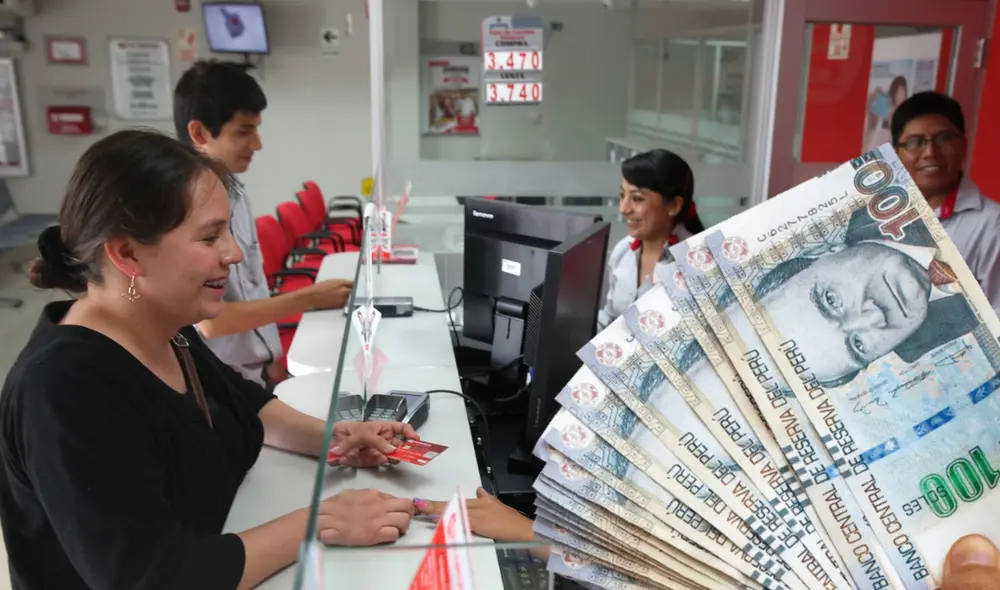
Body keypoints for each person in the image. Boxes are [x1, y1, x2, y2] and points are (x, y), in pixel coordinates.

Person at [0, 129, 417, 590]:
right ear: (127, 252)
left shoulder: (166, 328)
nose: (233, 254)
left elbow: (242, 401)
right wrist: (321, 520)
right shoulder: (65, 388)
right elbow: (152, 577)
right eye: (210, 237)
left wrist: (337, 440)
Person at [174, 60, 353, 389]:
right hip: (221, 380)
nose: (257, 144)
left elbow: (251, 286)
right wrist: (309, 297)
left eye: (256, 129)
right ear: (200, 133)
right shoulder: (184, 212)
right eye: (244, 131)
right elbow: (213, 322)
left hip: (255, 371)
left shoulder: (235, 193)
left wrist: (271, 356)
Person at [891, 91, 1000, 316]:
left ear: (963, 145)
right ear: (896, 153)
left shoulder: (992, 225)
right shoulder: (879, 212)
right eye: (915, 142)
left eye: (944, 138)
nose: (930, 152)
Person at [597, 149, 704, 331]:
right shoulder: (623, 250)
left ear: (674, 205)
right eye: (622, 196)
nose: (624, 208)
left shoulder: (696, 262)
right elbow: (610, 319)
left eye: (637, 198)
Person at [866, 75, 908, 151]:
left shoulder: (905, 111)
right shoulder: (888, 106)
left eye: (903, 94)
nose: (900, 97)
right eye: (899, 93)